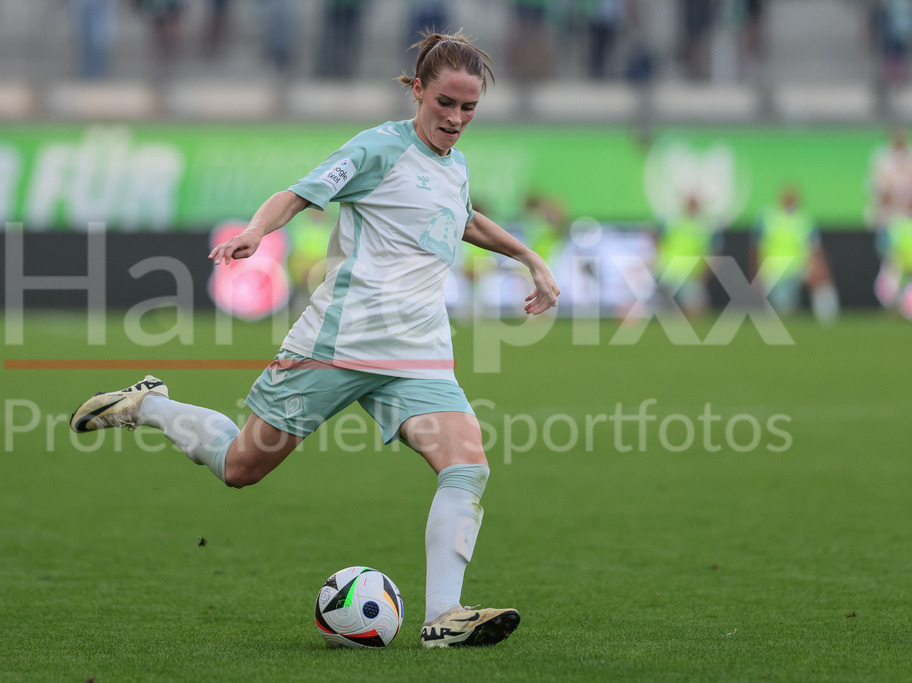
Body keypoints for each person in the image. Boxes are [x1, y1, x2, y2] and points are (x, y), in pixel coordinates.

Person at [70, 30, 560, 649]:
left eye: (469, 109)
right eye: (445, 104)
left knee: (466, 466)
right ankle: (149, 404)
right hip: (338, 343)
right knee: (241, 467)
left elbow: (461, 219)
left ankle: (445, 616)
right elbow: (299, 194)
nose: (457, 119)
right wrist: (255, 230)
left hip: (418, 354)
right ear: (417, 90)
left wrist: (529, 257)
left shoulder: (454, 165)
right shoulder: (380, 148)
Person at [750, 184, 838, 324]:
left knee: (820, 280)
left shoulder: (804, 219)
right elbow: (756, 248)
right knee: (784, 309)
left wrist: (819, 269)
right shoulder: (766, 217)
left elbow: (815, 249)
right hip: (773, 271)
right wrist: (756, 275)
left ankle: (829, 321)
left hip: (798, 267)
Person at [653, 192, 721, 317]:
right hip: (669, 273)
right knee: (667, 312)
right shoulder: (672, 222)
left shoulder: (704, 227)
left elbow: (710, 253)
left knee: (696, 311)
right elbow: (657, 241)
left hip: (690, 276)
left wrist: (705, 274)